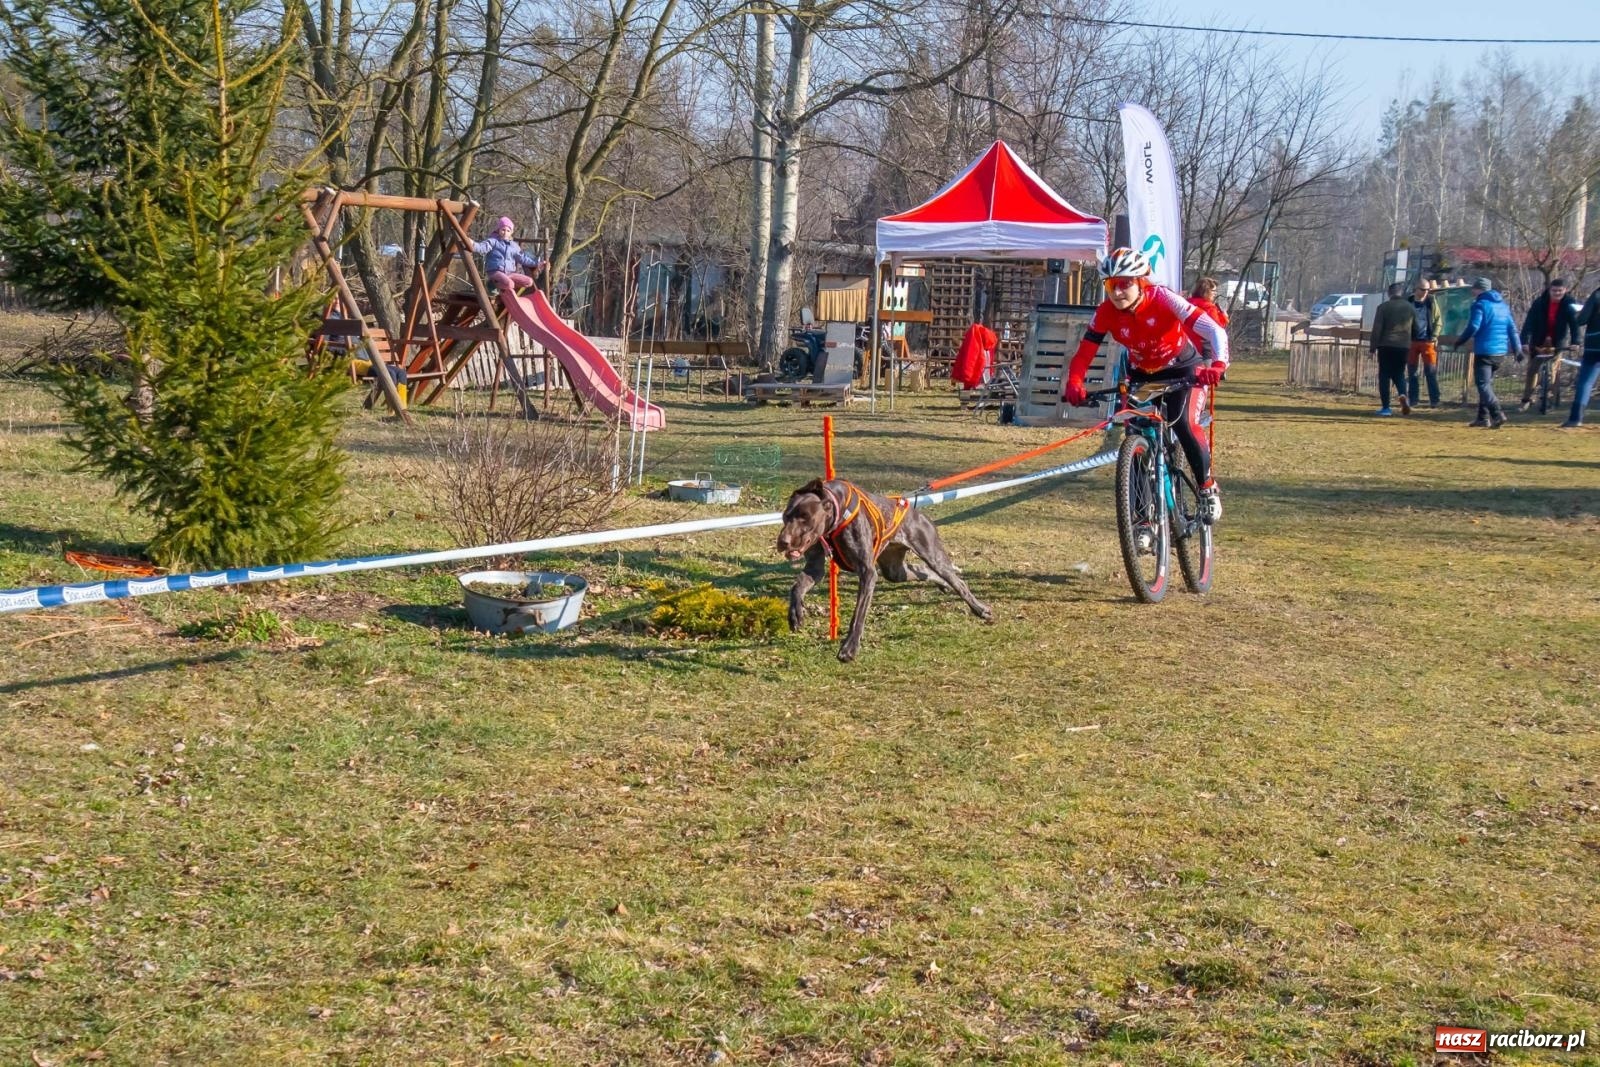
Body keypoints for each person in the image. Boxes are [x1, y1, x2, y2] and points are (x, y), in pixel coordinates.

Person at [1062, 247, 1229, 523]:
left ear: (1141, 281)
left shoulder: (1163, 298)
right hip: (1143, 376)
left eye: (1125, 283)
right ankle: (1142, 520)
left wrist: (1219, 365)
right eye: (1111, 285)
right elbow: (1085, 352)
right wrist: (1075, 381)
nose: (1117, 292)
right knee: (1135, 440)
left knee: (1184, 424)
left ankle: (1207, 488)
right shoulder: (1105, 312)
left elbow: (1213, 330)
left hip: (1183, 370)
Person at [1453, 276, 1521, 428]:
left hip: (1485, 350)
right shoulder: (1503, 306)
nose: (1472, 291)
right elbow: (1512, 329)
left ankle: (1497, 414)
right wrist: (1518, 349)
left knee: (1482, 385)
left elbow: (1474, 326)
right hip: (1500, 353)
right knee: (1487, 385)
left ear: (1479, 290)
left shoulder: (1479, 304)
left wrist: (1460, 341)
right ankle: (1483, 418)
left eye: (1474, 288)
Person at [1517, 277, 1581, 410]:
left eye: (1560, 291)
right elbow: (1529, 323)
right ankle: (1526, 399)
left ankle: (1551, 399)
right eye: (1554, 290)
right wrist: (1525, 342)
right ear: (1549, 290)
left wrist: (1576, 342)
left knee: (1553, 370)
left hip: (1557, 341)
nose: (1557, 293)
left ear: (1565, 290)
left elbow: (1575, 324)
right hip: (1538, 340)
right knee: (1532, 369)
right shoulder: (1539, 302)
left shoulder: (1569, 304)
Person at [1369, 282, 1414, 416]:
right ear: (1401, 293)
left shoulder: (1383, 307)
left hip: (1386, 345)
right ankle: (1402, 395)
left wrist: (1372, 348)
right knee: (1399, 374)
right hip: (1403, 346)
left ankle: (1386, 408)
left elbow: (1377, 329)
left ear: (1389, 293)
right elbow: (1417, 327)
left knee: (1384, 375)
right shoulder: (1410, 308)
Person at [473, 216, 545, 294]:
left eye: (508, 230)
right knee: (509, 284)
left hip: (509, 273)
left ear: (511, 232)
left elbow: (522, 258)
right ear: (498, 230)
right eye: (503, 230)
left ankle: (505, 285)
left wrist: (537, 263)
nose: (505, 232)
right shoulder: (493, 241)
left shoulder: (514, 246)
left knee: (529, 282)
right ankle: (492, 284)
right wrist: (472, 244)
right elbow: (481, 248)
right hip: (495, 271)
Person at [1563, 285, 1600, 428]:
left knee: (1585, 383)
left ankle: (1576, 418)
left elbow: (1582, 320)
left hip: (1594, 344)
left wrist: (1576, 312)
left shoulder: (1597, 295)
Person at [1406, 279, 1443, 408]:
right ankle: (1413, 399)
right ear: (1416, 289)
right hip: (1412, 341)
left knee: (1430, 372)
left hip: (1427, 341)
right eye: (1423, 289)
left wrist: (1434, 336)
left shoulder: (1431, 301)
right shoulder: (1408, 302)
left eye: (1428, 290)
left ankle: (1434, 399)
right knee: (1412, 372)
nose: (1426, 292)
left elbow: (1438, 319)